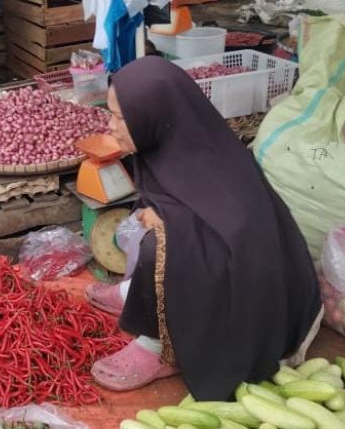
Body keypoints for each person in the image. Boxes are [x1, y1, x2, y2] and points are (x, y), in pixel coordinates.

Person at [86, 57, 323, 399]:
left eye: (119, 117)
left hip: (253, 285)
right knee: (146, 221)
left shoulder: (211, 160)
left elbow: (238, 236)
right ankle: (133, 294)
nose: (110, 126)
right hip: (224, 255)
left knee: (159, 242)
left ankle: (160, 347)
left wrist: (168, 223)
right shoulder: (167, 141)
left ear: (151, 114)